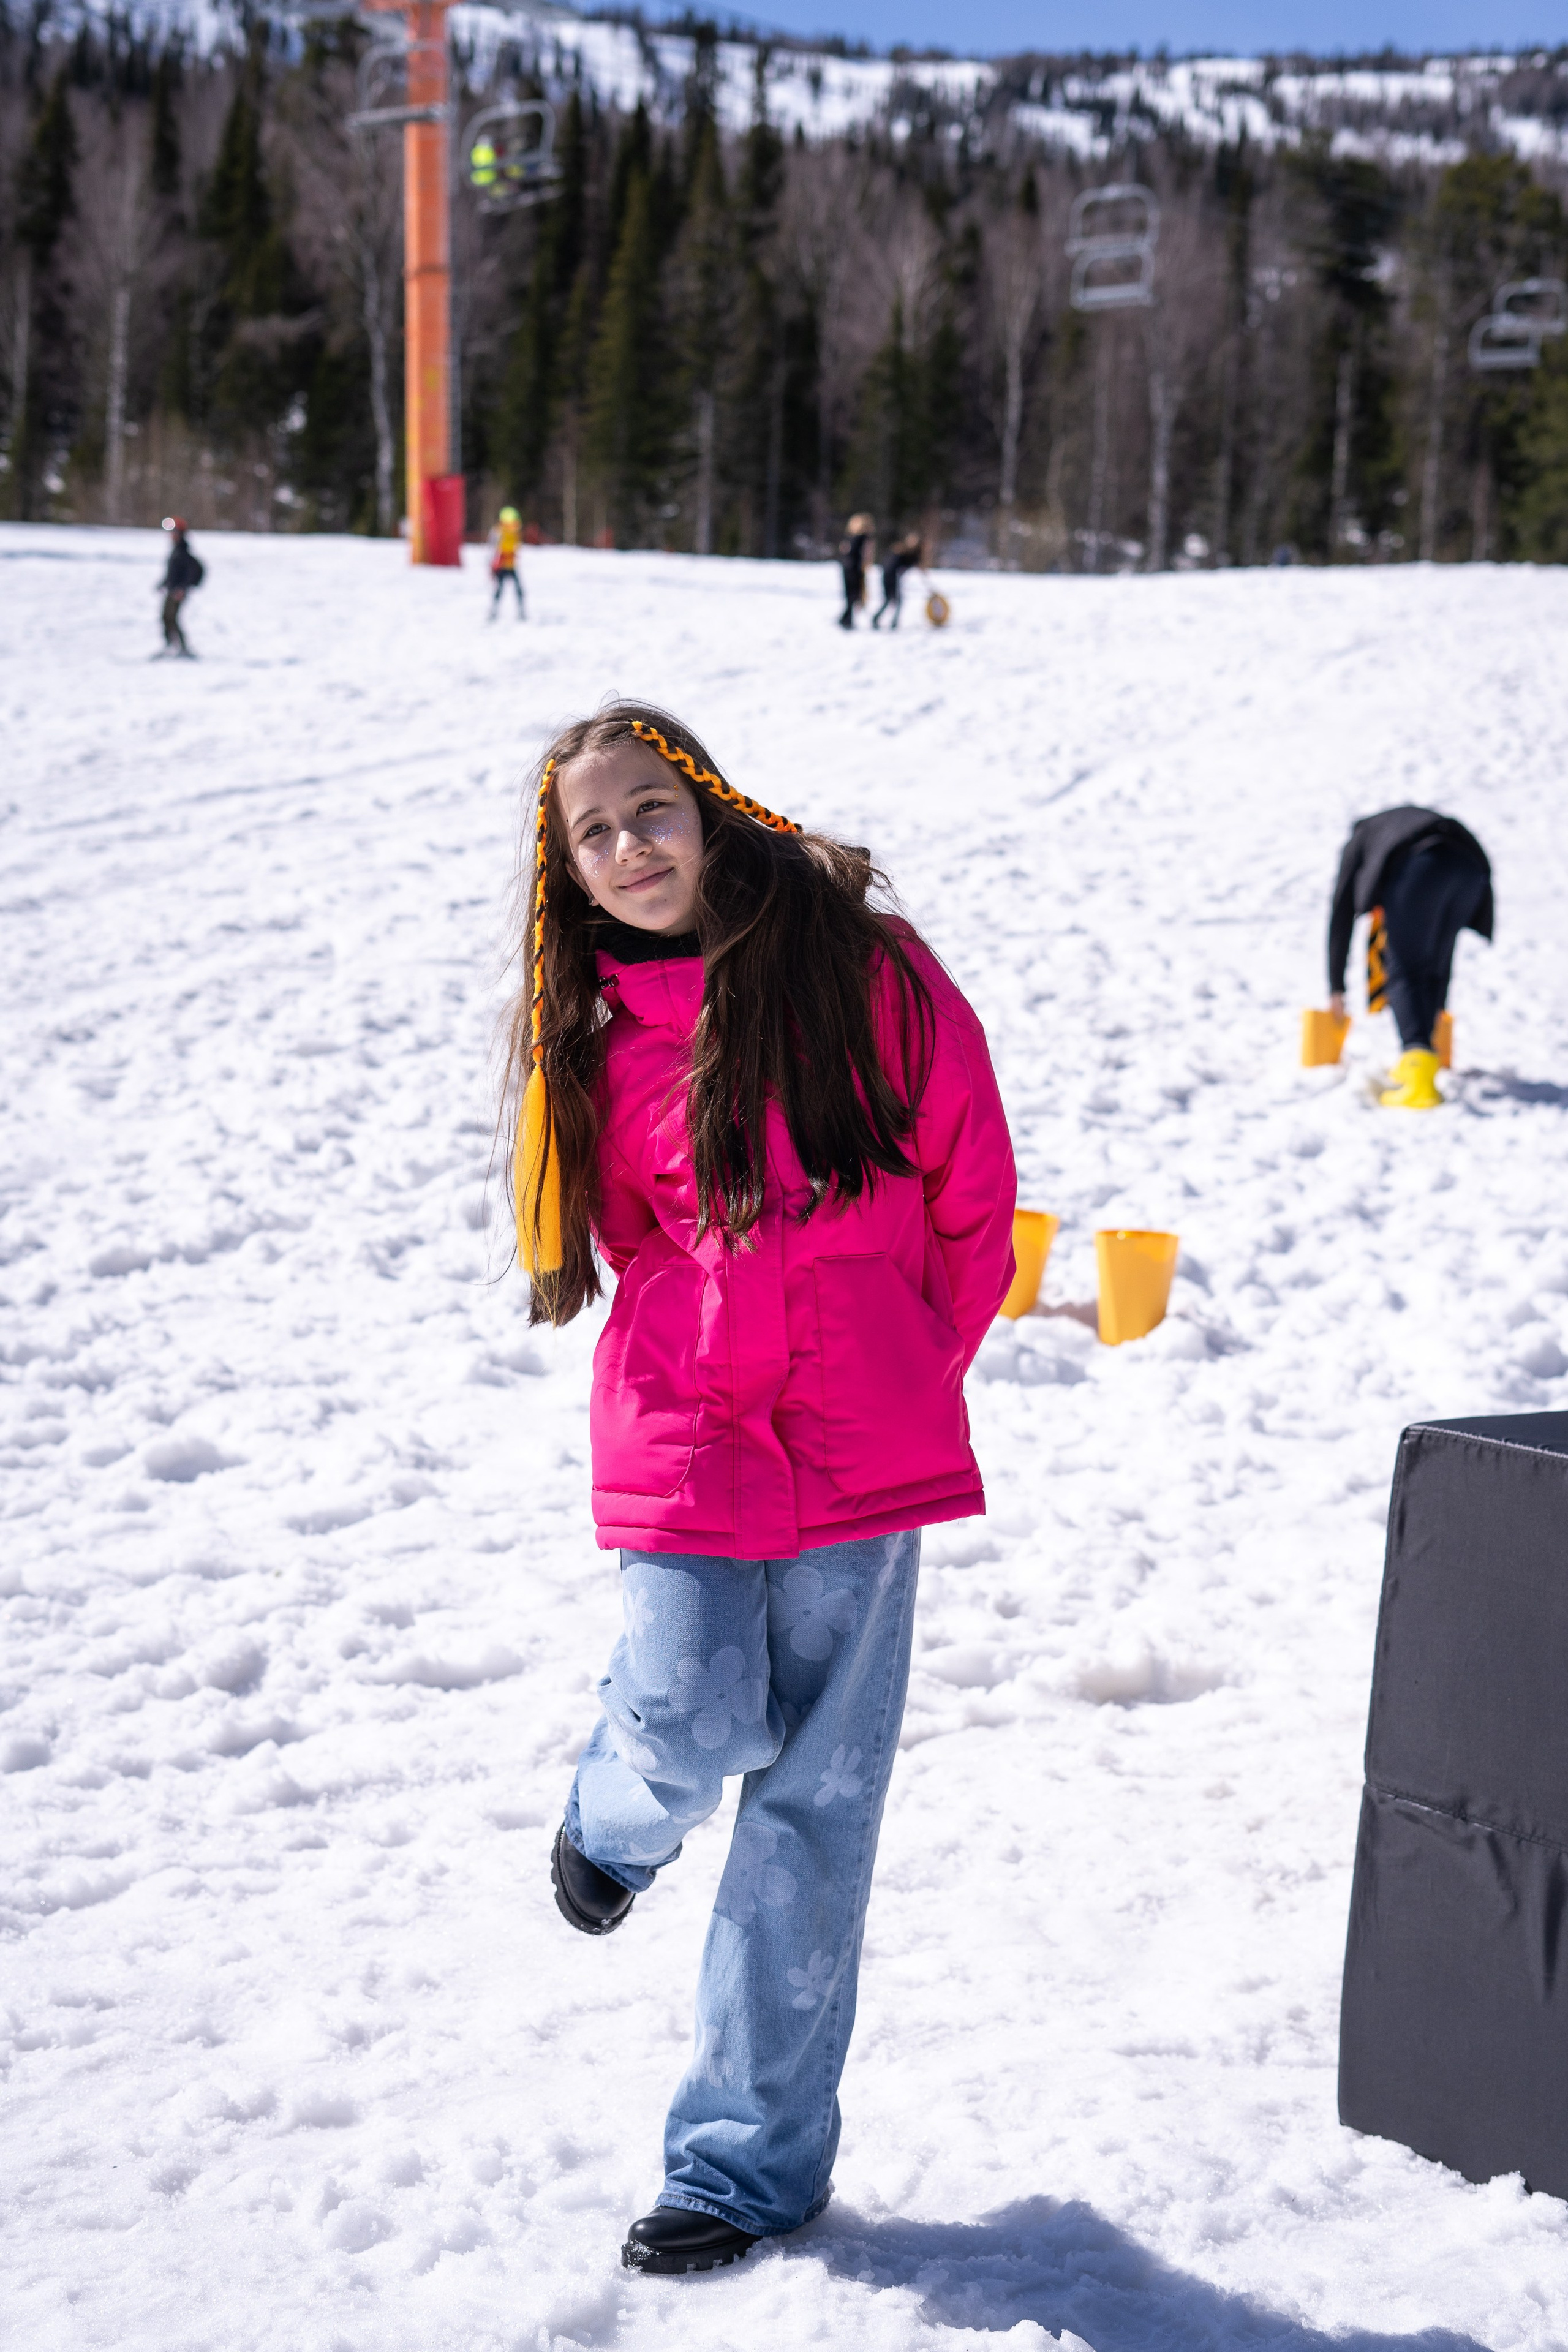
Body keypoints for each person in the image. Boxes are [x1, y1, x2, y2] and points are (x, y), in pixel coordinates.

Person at [506, 701, 1016, 2276]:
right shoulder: (589, 1038)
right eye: (592, 834)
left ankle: (740, 2165)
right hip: (688, 1423)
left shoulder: (867, 969)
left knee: (810, 1815)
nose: (626, 848)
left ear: (707, 805)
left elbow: (969, 1181)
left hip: (865, 1432)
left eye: (646, 810)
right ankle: (608, 1816)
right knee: (680, 1706)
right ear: (568, 872)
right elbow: (624, 1236)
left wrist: (913, 1344)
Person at [1326, 804, 1493, 1109]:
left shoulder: (1363, 836)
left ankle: (1418, 1081)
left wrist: (1336, 987)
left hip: (1421, 867)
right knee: (1434, 965)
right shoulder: (1400, 827)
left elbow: (1342, 911)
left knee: (1404, 971)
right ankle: (1428, 1056)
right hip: (1470, 870)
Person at [155, 517, 203, 658]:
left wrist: (183, 588)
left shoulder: (183, 552)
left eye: (174, 531)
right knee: (166, 617)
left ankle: (182, 647)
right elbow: (173, 572)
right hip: (172, 590)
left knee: (173, 618)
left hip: (178, 592)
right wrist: (164, 583)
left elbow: (192, 573)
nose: (171, 535)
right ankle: (171, 645)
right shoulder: (177, 550)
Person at [872, 531, 923, 630]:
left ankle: (880, 619)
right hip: (891, 576)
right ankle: (890, 621)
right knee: (895, 600)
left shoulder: (909, 553)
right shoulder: (902, 551)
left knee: (890, 600)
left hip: (890, 576)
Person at [836, 513, 874, 629]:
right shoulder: (865, 537)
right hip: (856, 568)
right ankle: (846, 619)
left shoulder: (851, 537)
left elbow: (843, 549)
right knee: (854, 595)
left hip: (847, 567)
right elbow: (867, 554)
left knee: (850, 595)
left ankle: (846, 618)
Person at [488, 505, 525, 620]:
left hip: (512, 565)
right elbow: (492, 548)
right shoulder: (498, 531)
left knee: (519, 590)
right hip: (501, 566)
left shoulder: (515, 533)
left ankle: (521, 612)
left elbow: (516, 547)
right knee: (500, 590)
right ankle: (493, 612)